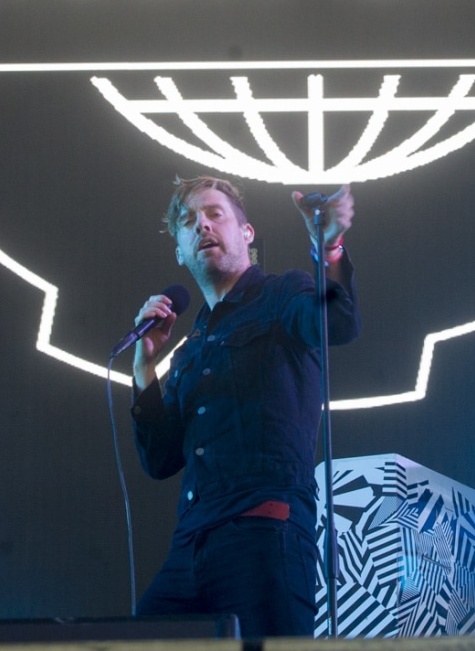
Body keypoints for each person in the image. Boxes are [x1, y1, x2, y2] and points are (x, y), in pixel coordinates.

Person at [128, 176, 359, 638]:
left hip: (263, 531)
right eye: (189, 222)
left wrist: (329, 248)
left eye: (215, 214)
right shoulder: (192, 348)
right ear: (180, 252)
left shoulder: (282, 293)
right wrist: (145, 369)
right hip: (192, 541)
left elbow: (337, 322)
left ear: (246, 233)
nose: (202, 225)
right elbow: (160, 459)